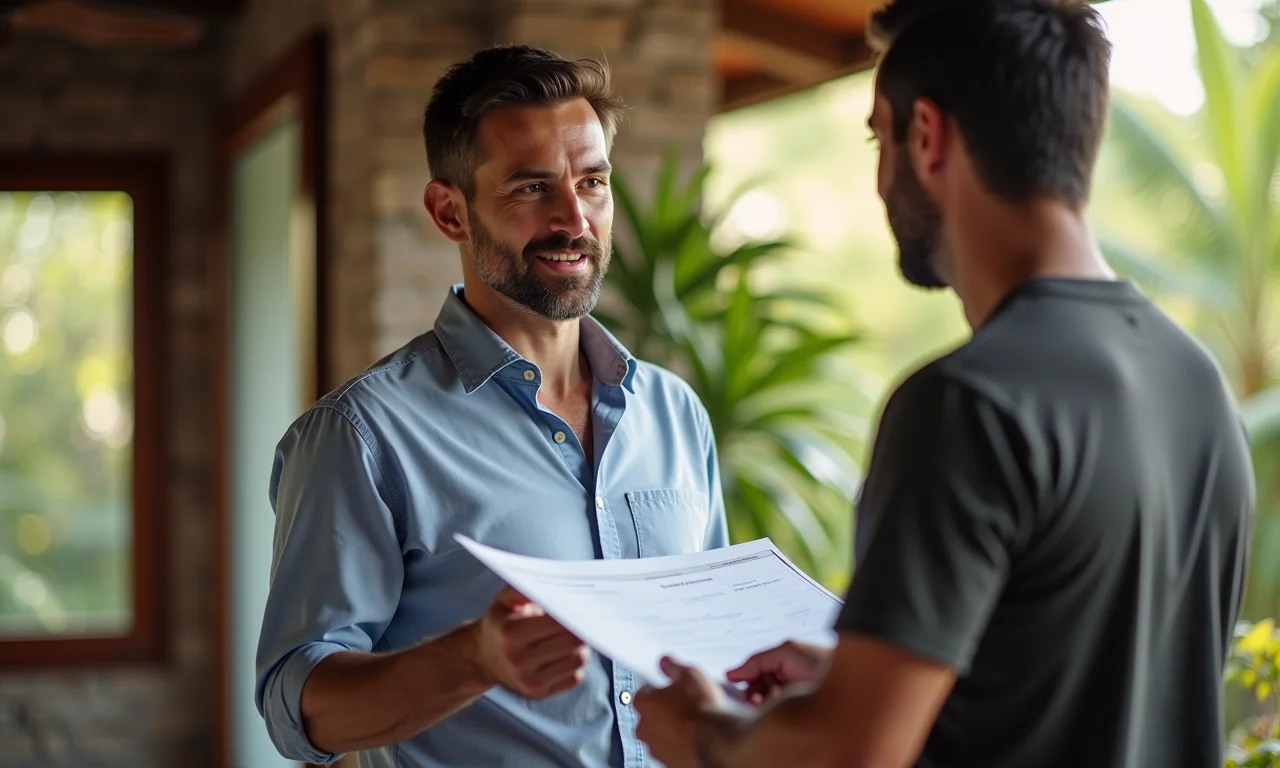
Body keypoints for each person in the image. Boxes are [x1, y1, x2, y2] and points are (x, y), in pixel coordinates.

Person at [633, 1, 1256, 766]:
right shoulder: (1196, 382)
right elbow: (1086, 680)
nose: (878, 176)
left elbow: (849, 755)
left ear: (926, 137)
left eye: (877, 138)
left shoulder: (968, 402)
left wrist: (700, 731)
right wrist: (859, 676)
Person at [255, 44, 729, 768]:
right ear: (450, 211)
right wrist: (472, 659)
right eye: (531, 188)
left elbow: (712, 642)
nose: (574, 219)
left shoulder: (675, 414)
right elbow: (297, 705)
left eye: (592, 182)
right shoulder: (363, 435)